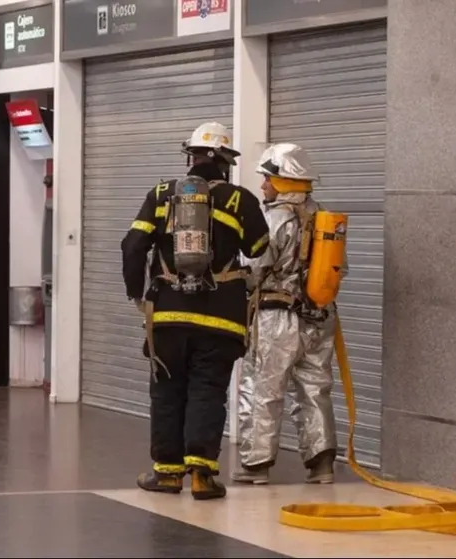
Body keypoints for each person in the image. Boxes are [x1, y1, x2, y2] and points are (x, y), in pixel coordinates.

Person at [122, 122, 270, 500]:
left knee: (167, 390)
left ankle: (167, 474)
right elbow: (257, 248)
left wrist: (135, 294)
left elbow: (133, 246)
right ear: (225, 162)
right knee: (208, 389)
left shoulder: (160, 194)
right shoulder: (240, 200)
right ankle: (202, 474)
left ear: (190, 157)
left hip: (168, 315)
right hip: (222, 318)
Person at [233, 143, 345, 485]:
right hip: (320, 317)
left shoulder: (271, 218)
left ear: (283, 181)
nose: (263, 186)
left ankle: (256, 465)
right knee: (315, 389)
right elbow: (339, 268)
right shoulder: (325, 218)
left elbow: (254, 269)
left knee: (263, 387)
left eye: (267, 179)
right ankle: (322, 464)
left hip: (276, 317)